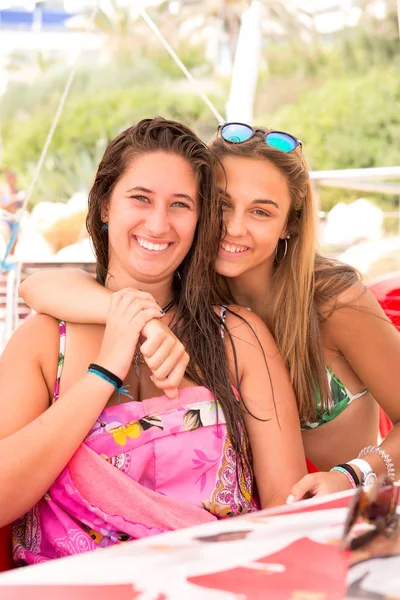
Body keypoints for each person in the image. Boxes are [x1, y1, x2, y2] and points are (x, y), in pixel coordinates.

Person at [20, 122, 400, 502]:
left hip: (344, 496)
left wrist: (353, 474)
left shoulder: (331, 301)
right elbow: (37, 287)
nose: (233, 228)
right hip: (266, 492)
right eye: (220, 205)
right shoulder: (198, 291)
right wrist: (143, 321)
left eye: (261, 213)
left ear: (290, 225)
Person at [0, 118, 306, 565]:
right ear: (105, 206)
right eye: (140, 198)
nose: (159, 223)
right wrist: (104, 370)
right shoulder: (46, 343)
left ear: (200, 220)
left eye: (180, 204)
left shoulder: (240, 338)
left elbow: (286, 512)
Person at [0, 168, 24, 256]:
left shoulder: (17, 191)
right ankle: (5, 264)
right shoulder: (3, 191)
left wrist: (21, 200)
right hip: (5, 219)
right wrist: (14, 199)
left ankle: (10, 265)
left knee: (14, 243)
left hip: (15, 220)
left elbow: (21, 206)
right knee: (7, 242)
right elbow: (2, 205)